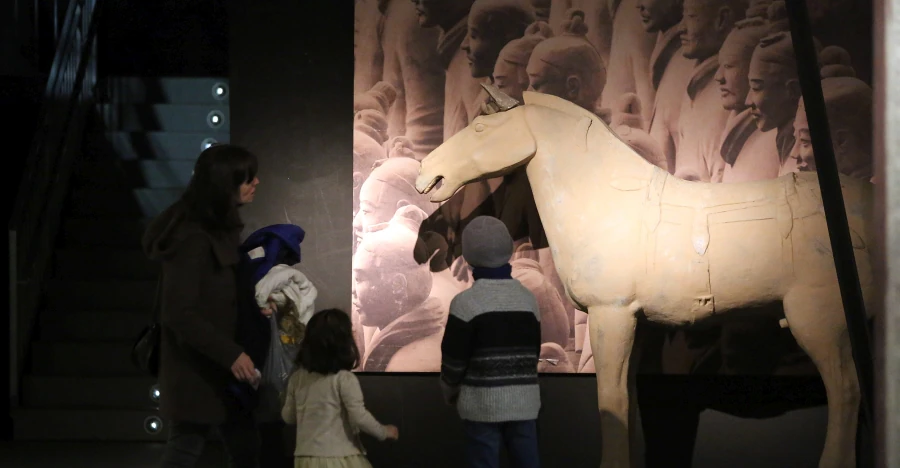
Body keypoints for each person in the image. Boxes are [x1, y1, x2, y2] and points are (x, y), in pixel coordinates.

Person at [142, 143, 262, 468]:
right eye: (246, 178)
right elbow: (179, 313)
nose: (256, 183)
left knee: (242, 447)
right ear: (225, 184)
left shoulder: (218, 231)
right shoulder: (193, 238)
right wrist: (231, 354)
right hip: (199, 369)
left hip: (217, 369)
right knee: (188, 449)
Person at [440, 216, 542, 468]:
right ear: (509, 250)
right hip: (524, 401)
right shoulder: (528, 299)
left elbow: (453, 360)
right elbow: (533, 353)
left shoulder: (464, 304)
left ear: (467, 256)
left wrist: (449, 390)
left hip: (480, 404)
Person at [281, 308, 399, 468]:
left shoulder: (297, 378)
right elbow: (359, 416)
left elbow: (288, 417)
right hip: (340, 457)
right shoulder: (344, 379)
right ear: (344, 343)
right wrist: (384, 432)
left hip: (305, 458)